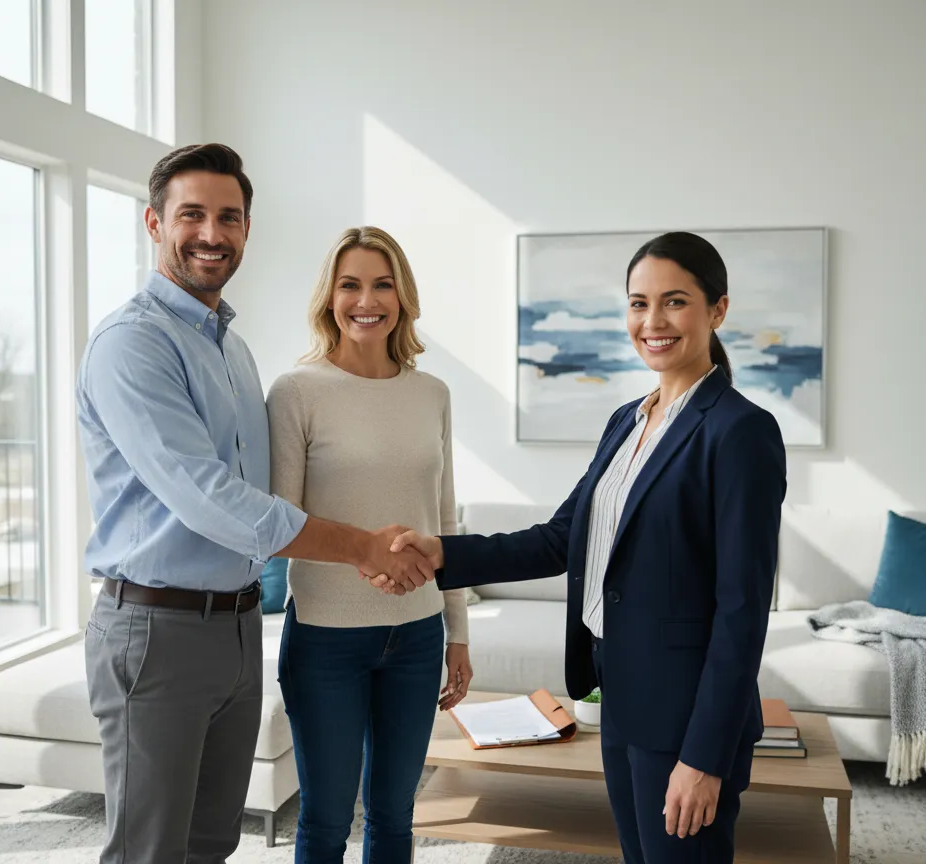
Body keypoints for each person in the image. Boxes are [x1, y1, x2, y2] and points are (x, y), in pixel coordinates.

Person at [75, 145, 435, 864]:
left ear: (246, 229)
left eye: (230, 217)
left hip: (237, 628)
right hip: (157, 629)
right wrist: (363, 547)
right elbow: (209, 499)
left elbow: (267, 493)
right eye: (192, 215)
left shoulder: (230, 350)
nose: (212, 234)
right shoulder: (133, 343)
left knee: (212, 842)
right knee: (150, 849)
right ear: (154, 223)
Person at [377, 231, 787, 864]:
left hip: (684, 719)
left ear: (718, 310)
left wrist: (704, 758)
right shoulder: (627, 419)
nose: (652, 321)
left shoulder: (740, 432)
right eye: (638, 303)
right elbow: (563, 538)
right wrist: (443, 554)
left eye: (675, 301)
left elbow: (743, 611)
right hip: (620, 695)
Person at [266, 226, 473, 864]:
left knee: (394, 815)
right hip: (326, 638)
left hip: (418, 636)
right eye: (350, 285)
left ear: (402, 296)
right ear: (329, 297)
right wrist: (365, 556)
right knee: (326, 820)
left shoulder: (432, 393)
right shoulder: (296, 392)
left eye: (383, 284)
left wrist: (458, 633)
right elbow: (279, 525)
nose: (366, 300)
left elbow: (444, 518)